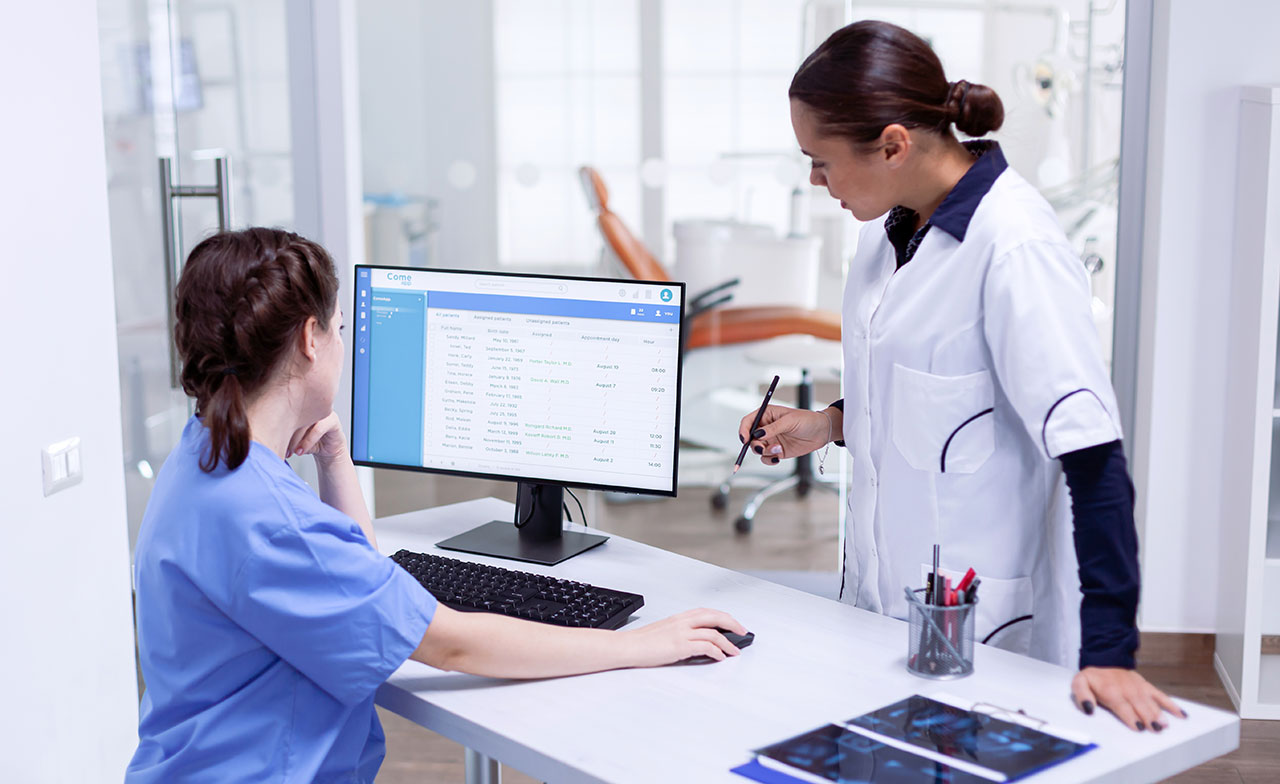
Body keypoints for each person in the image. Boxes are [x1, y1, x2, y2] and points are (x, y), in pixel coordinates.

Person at [126, 227, 746, 782]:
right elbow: (452, 646)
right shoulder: (275, 522)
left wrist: (334, 458)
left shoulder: (202, 457)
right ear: (311, 340)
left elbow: (350, 580)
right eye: (340, 328)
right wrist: (638, 645)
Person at [740, 20, 1183, 733]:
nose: (815, 181)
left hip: (984, 631)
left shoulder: (1016, 249)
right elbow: (937, 399)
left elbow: (1094, 460)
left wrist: (1111, 651)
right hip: (874, 611)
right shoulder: (881, 237)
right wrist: (825, 425)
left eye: (820, 161)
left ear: (893, 144)